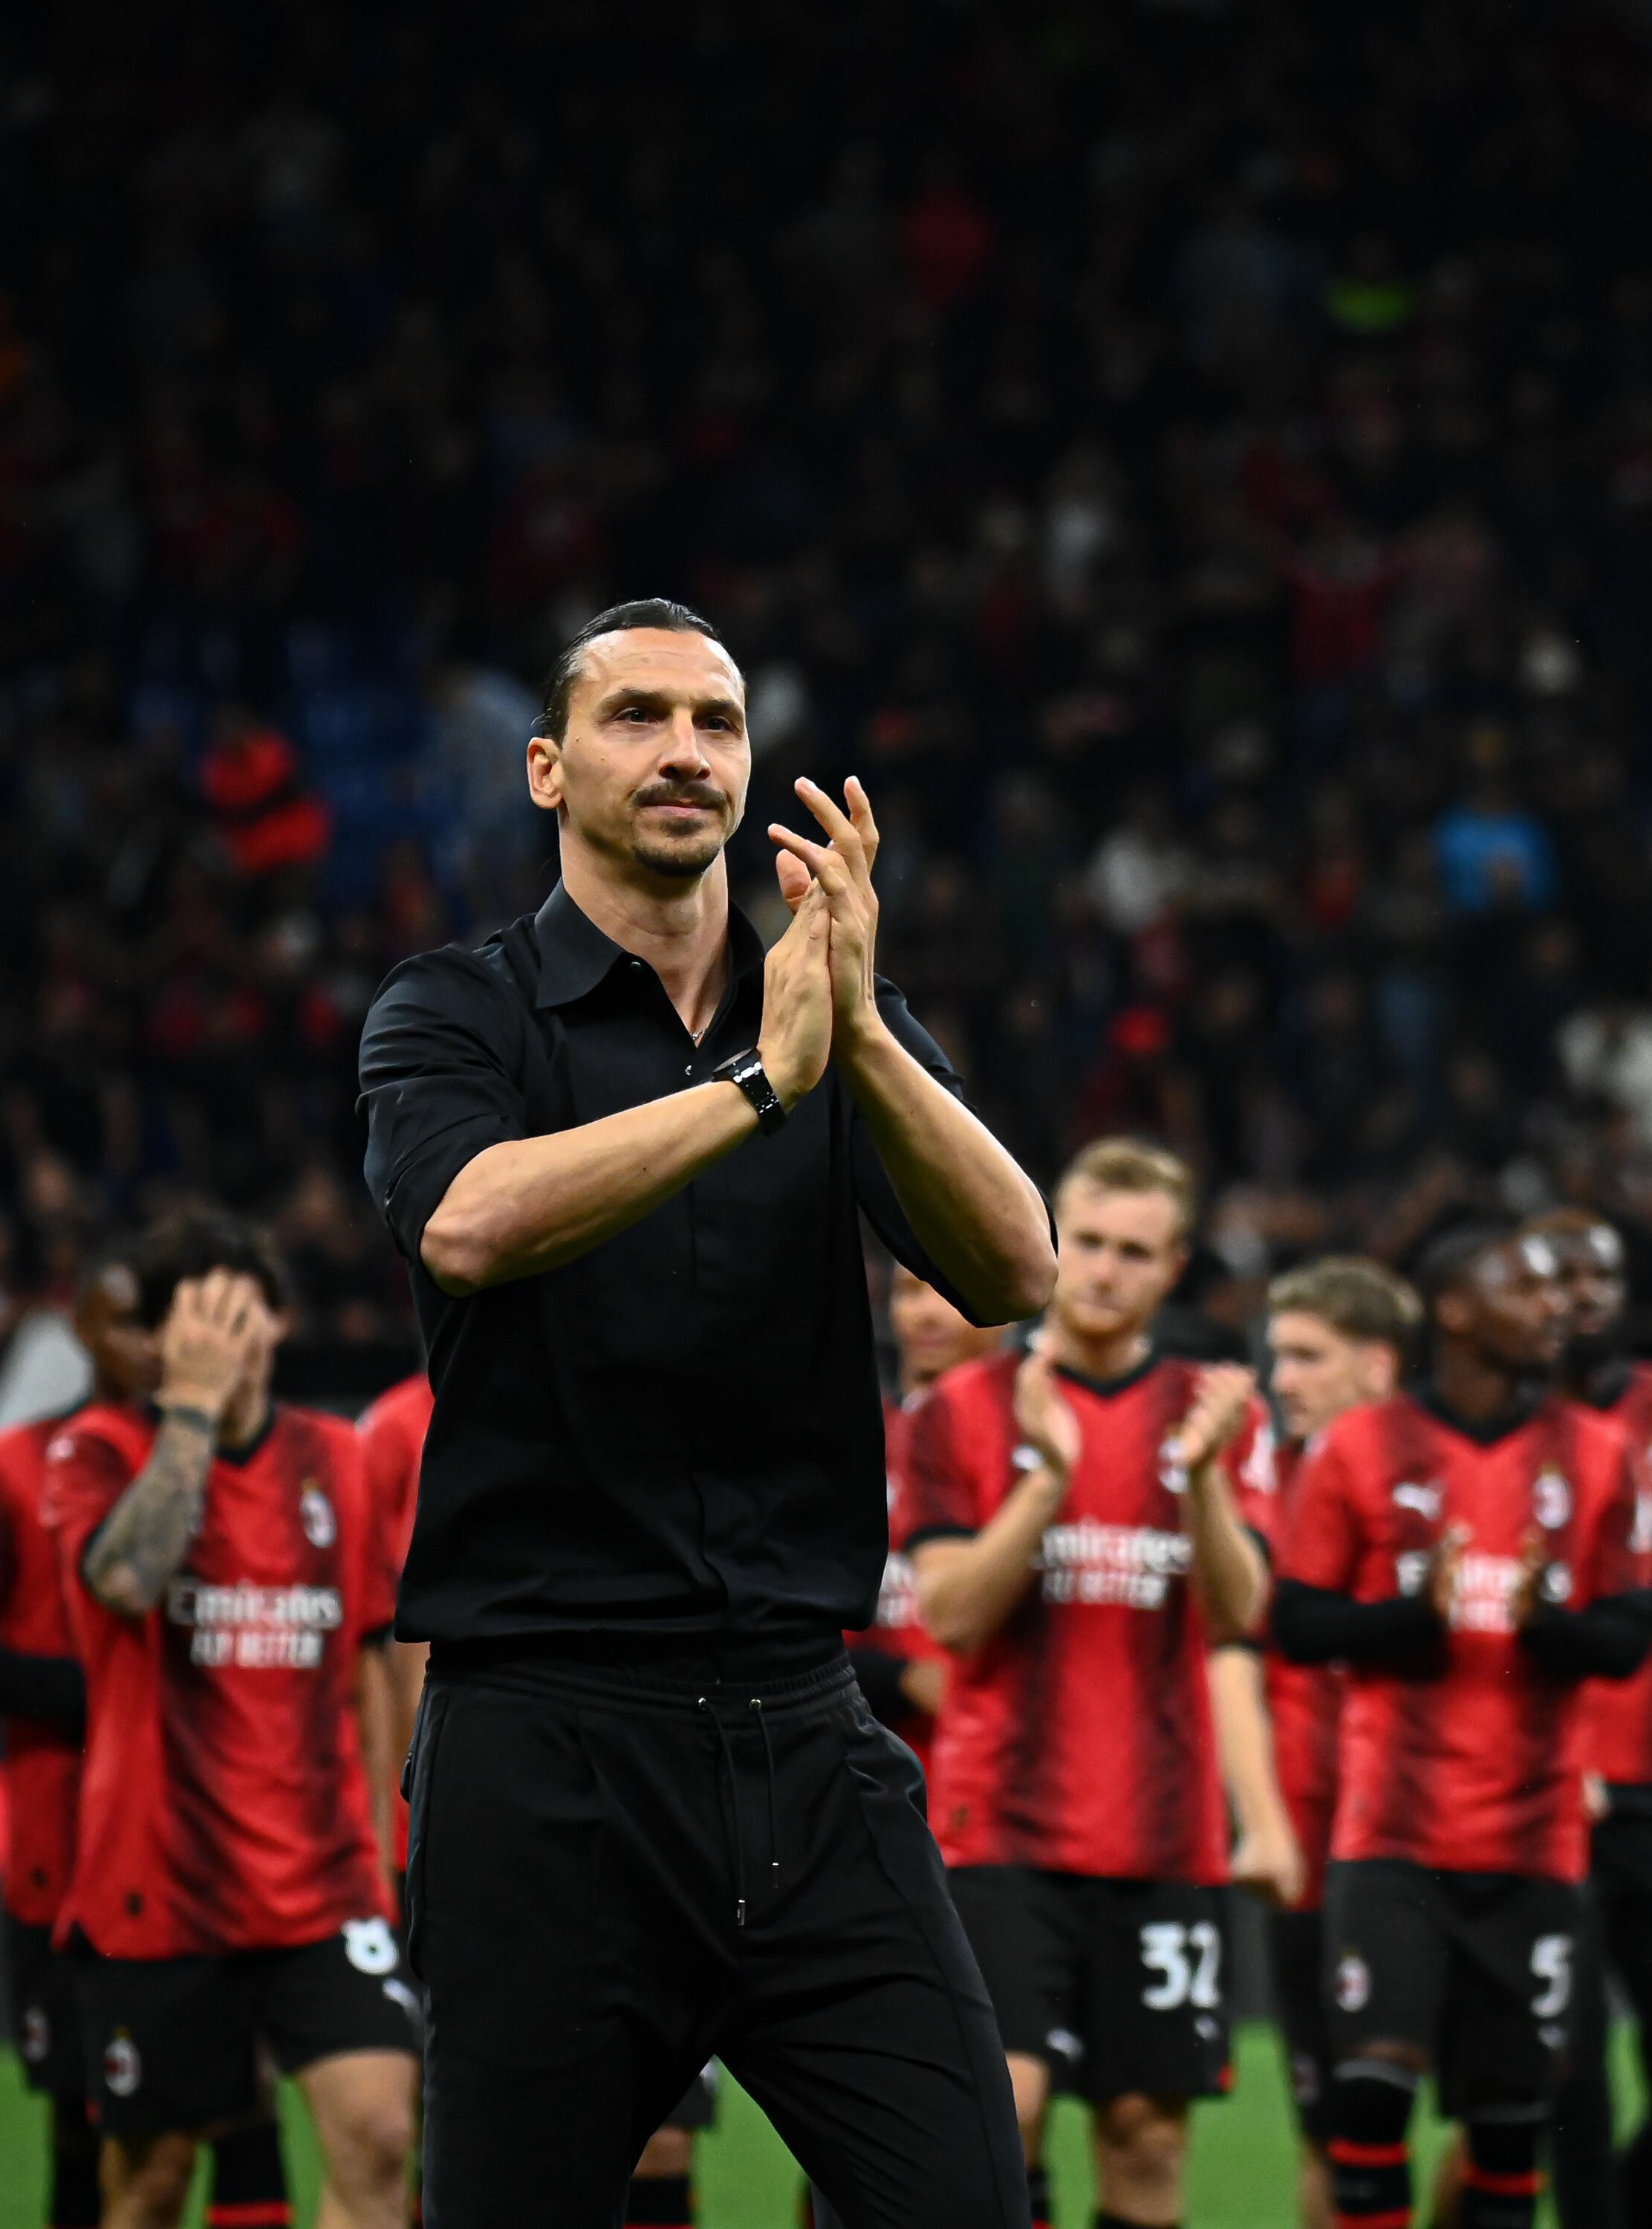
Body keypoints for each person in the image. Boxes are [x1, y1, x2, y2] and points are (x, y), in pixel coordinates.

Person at [351, 597, 1054, 2229]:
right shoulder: (455, 1010)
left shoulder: (828, 1008)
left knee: (967, 2207)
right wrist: (754, 1090)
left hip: (806, 1732)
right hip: (548, 1742)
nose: (685, 753)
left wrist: (860, 1031)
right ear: (544, 769)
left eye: (720, 725)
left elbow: (1016, 1263)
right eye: (638, 717)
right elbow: (465, 1219)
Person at [898, 1139, 1273, 2229]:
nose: (1106, 1270)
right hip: (1001, 1834)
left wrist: (1202, 1481)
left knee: (1149, 2144)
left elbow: (1244, 1609)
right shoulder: (962, 1412)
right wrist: (1047, 1481)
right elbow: (953, 1613)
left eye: (1135, 1252)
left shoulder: (1212, 1413)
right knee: (1000, 2113)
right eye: (1091, 1244)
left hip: (1163, 1841)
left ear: (1174, 1267)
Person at [1272, 1224, 1651, 2229]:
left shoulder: (1599, 1456)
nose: (1552, 1309)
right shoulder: (1360, 1448)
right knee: (1369, 2099)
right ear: (1456, 1310)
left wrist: (1545, 1625)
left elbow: (1628, 1638)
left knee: (1507, 2125)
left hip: (1533, 1849)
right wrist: (1414, 1618)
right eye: (1523, 1290)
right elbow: (1299, 1622)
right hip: (1391, 1845)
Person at [45, 1215, 418, 2229]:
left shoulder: (336, 1458)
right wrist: (193, 1416)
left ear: (281, 1321)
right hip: (159, 1891)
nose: (216, 1335)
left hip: (323, 1883)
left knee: (384, 2135)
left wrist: (392, 1845)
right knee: (154, 2182)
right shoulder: (97, 1450)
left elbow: (373, 1666)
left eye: (233, 1309)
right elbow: (126, 1579)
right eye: (191, 1317)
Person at [0, 1245, 296, 2229]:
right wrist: (113, 1696)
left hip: (222, 1848)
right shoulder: (9, 1466)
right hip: (64, 1850)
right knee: (86, 2128)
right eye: (124, 1323)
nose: (146, 1345)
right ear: (80, 1330)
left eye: (157, 1324)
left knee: (246, 2111)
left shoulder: (246, 1457)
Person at [354, 1365, 715, 2229]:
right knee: (471, 2129)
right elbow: (376, 1652)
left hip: (653, 1822)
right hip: (478, 1826)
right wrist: (382, 1838)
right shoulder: (400, 1430)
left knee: (664, 2135)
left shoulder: (656, 1395)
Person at [1518, 1208, 1652, 2229]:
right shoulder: (1496, 1426)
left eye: (1596, 1277)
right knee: (1575, 2079)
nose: (1576, 1298)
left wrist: (1619, 1567)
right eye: (1554, 1279)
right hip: (1538, 1787)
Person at [1249, 1256, 1422, 2229]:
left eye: (1308, 1357)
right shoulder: (1261, 1481)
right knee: (1330, 2126)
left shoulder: (1443, 1477)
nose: (1285, 1380)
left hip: (1433, 1843)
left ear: (1378, 1365)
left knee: (1499, 2115)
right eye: (1280, 1357)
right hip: (1311, 1844)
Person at [860, 1264, 1009, 1739]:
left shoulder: (1036, 1442)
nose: (927, 1314)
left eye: (948, 1293)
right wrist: (904, 1680)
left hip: (998, 1751)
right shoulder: (849, 1440)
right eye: (910, 1292)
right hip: (860, 1751)